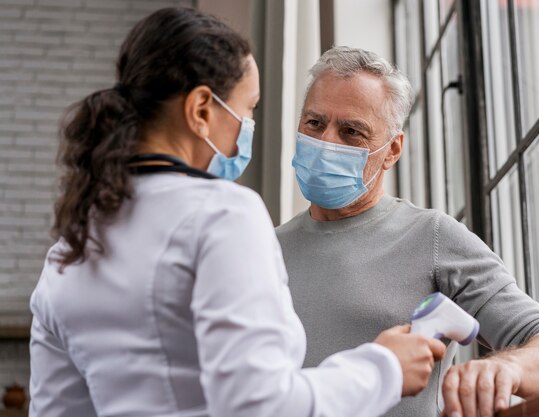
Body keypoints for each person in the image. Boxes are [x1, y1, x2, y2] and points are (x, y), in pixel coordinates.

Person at [28, 9, 447, 417]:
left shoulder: (72, 245)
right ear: (201, 111)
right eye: (249, 110)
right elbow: (259, 405)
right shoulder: (224, 214)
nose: (248, 127)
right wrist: (384, 368)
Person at [276, 46, 539, 417]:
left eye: (351, 131)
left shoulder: (432, 237)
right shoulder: (265, 250)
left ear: (392, 151)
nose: (326, 142)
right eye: (314, 123)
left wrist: (505, 368)